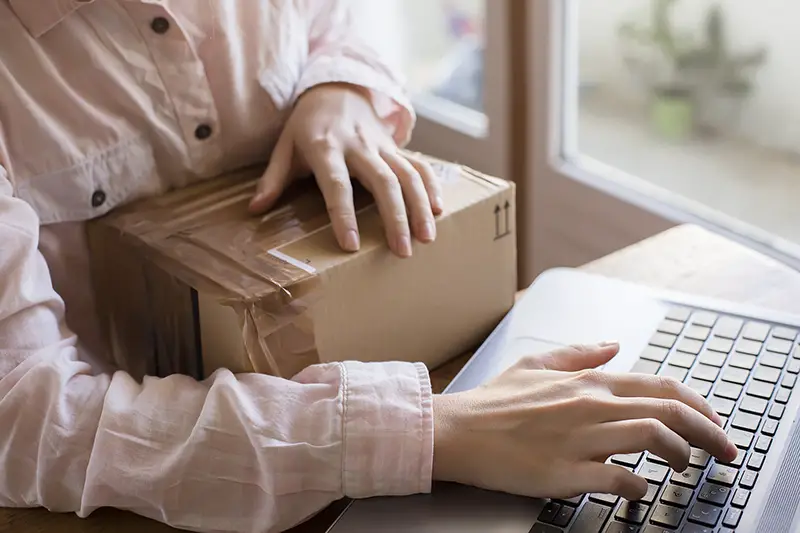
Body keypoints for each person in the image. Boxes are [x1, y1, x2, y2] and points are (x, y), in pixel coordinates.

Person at [0, 2, 738, 532]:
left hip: (361, 394)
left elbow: (344, 19)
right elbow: (24, 418)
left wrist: (341, 84)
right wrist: (430, 433)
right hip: (141, 487)